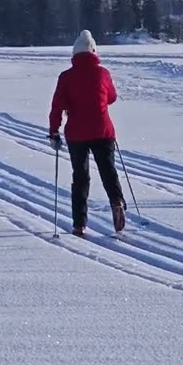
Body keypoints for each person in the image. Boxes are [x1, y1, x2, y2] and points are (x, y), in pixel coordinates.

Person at [48, 29, 126, 236]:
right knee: (108, 171)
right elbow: (111, 97)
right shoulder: (103, 73)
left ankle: (79, 223)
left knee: (81, 177)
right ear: (94, 51)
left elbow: (57, 106)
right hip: (103, 130)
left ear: (75, 53)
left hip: (77, 133)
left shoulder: (66, 77)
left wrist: (54, 131)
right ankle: (117, 201)